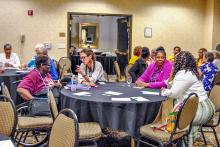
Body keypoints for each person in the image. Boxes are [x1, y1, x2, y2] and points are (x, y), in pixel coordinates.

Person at [161, 51, 215, 146]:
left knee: (171, 110)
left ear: (180, 62)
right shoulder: (190, 72)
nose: (173, 62)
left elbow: (173, 93)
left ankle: (177, 140)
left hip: (200, 110)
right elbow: (171, 84)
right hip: (205, 106)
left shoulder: (184, 74)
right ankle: (180, 140)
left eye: (175, 60)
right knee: (175, 107)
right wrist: (172, 73)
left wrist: (163, 91)